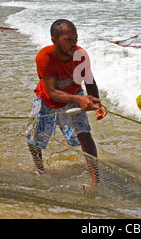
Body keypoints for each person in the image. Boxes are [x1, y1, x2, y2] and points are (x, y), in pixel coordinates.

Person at [26, 19, 107, 187]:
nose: (74, 44)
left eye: (75, 39)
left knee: (85, 134)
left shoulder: (81, 55)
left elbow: (90, 82)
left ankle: (95, 180)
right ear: (54, 40)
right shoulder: (44, 56)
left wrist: (97, 103)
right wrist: (80, 99)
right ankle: (39, 169)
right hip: (46, 98)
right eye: (68, 40)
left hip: (74, 94)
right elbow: (53, 92)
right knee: (33, 138)